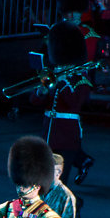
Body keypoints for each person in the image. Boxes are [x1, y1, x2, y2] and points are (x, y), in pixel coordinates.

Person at [31, 21, 95, 185]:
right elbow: (34, 101)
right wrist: (42, 91)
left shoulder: (81, 78)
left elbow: (74, 103)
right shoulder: (53, 74)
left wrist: (63, 80)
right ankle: (74, 204)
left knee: (60, 183)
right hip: (49, 133)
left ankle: (71, 206)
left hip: (67, 135)